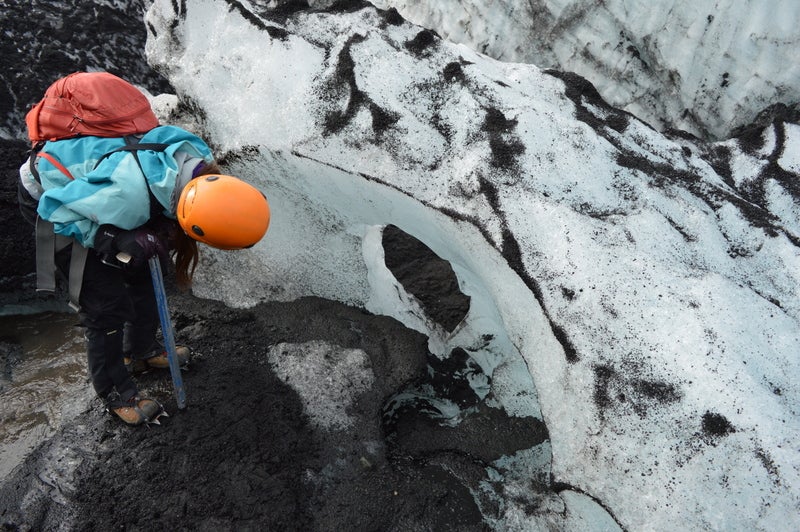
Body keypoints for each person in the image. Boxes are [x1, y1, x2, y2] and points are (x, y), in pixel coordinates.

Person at [19, 119, 270, 425]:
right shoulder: (130, 195)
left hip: (110, 190)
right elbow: (54, 208)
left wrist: (152, 231)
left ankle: (140, 350)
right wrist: (112, 238)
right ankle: (116, 393)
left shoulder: (198, 161)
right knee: (104, 303)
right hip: (52, 200)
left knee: (147, 265)